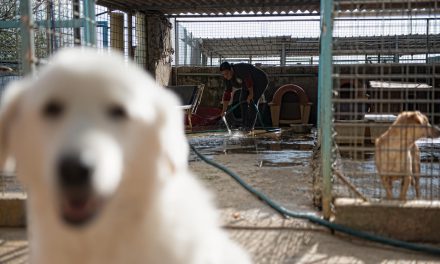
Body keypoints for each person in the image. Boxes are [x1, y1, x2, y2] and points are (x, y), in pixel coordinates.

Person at [220, 61, 269, 132]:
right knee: (242, 100)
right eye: (223, 74)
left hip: (260, 80)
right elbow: (227, 93)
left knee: (253, 101)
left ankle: (250, 126)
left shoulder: (239, 69)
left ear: (231, 69)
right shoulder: (227, 79)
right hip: (247, 84)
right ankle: (244, 124)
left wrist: (251, 94)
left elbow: (248, 80)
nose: (225, 76)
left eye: (227, 73)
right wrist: (224, 110)